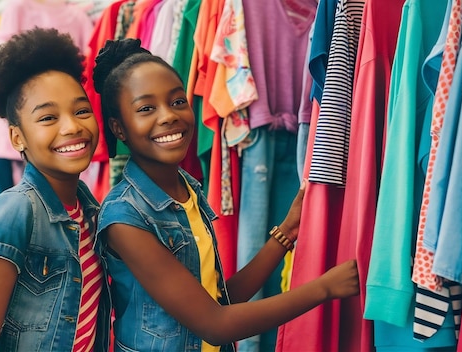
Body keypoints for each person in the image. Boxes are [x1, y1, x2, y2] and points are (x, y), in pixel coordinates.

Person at [92, 38, 360, 352]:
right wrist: (323, 289)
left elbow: (219, 299)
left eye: (178, 101)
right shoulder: (125, 218)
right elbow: (215, 324)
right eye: (146, 108)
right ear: (118, 128)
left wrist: (286, 232)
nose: (168, 116)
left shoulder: (185, 189)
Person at [0, 28, 110, 351]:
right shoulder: (14, 213)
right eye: (48, 117)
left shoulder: (91, 212)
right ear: (17, 138)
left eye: (82, 110)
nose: (72, 126)